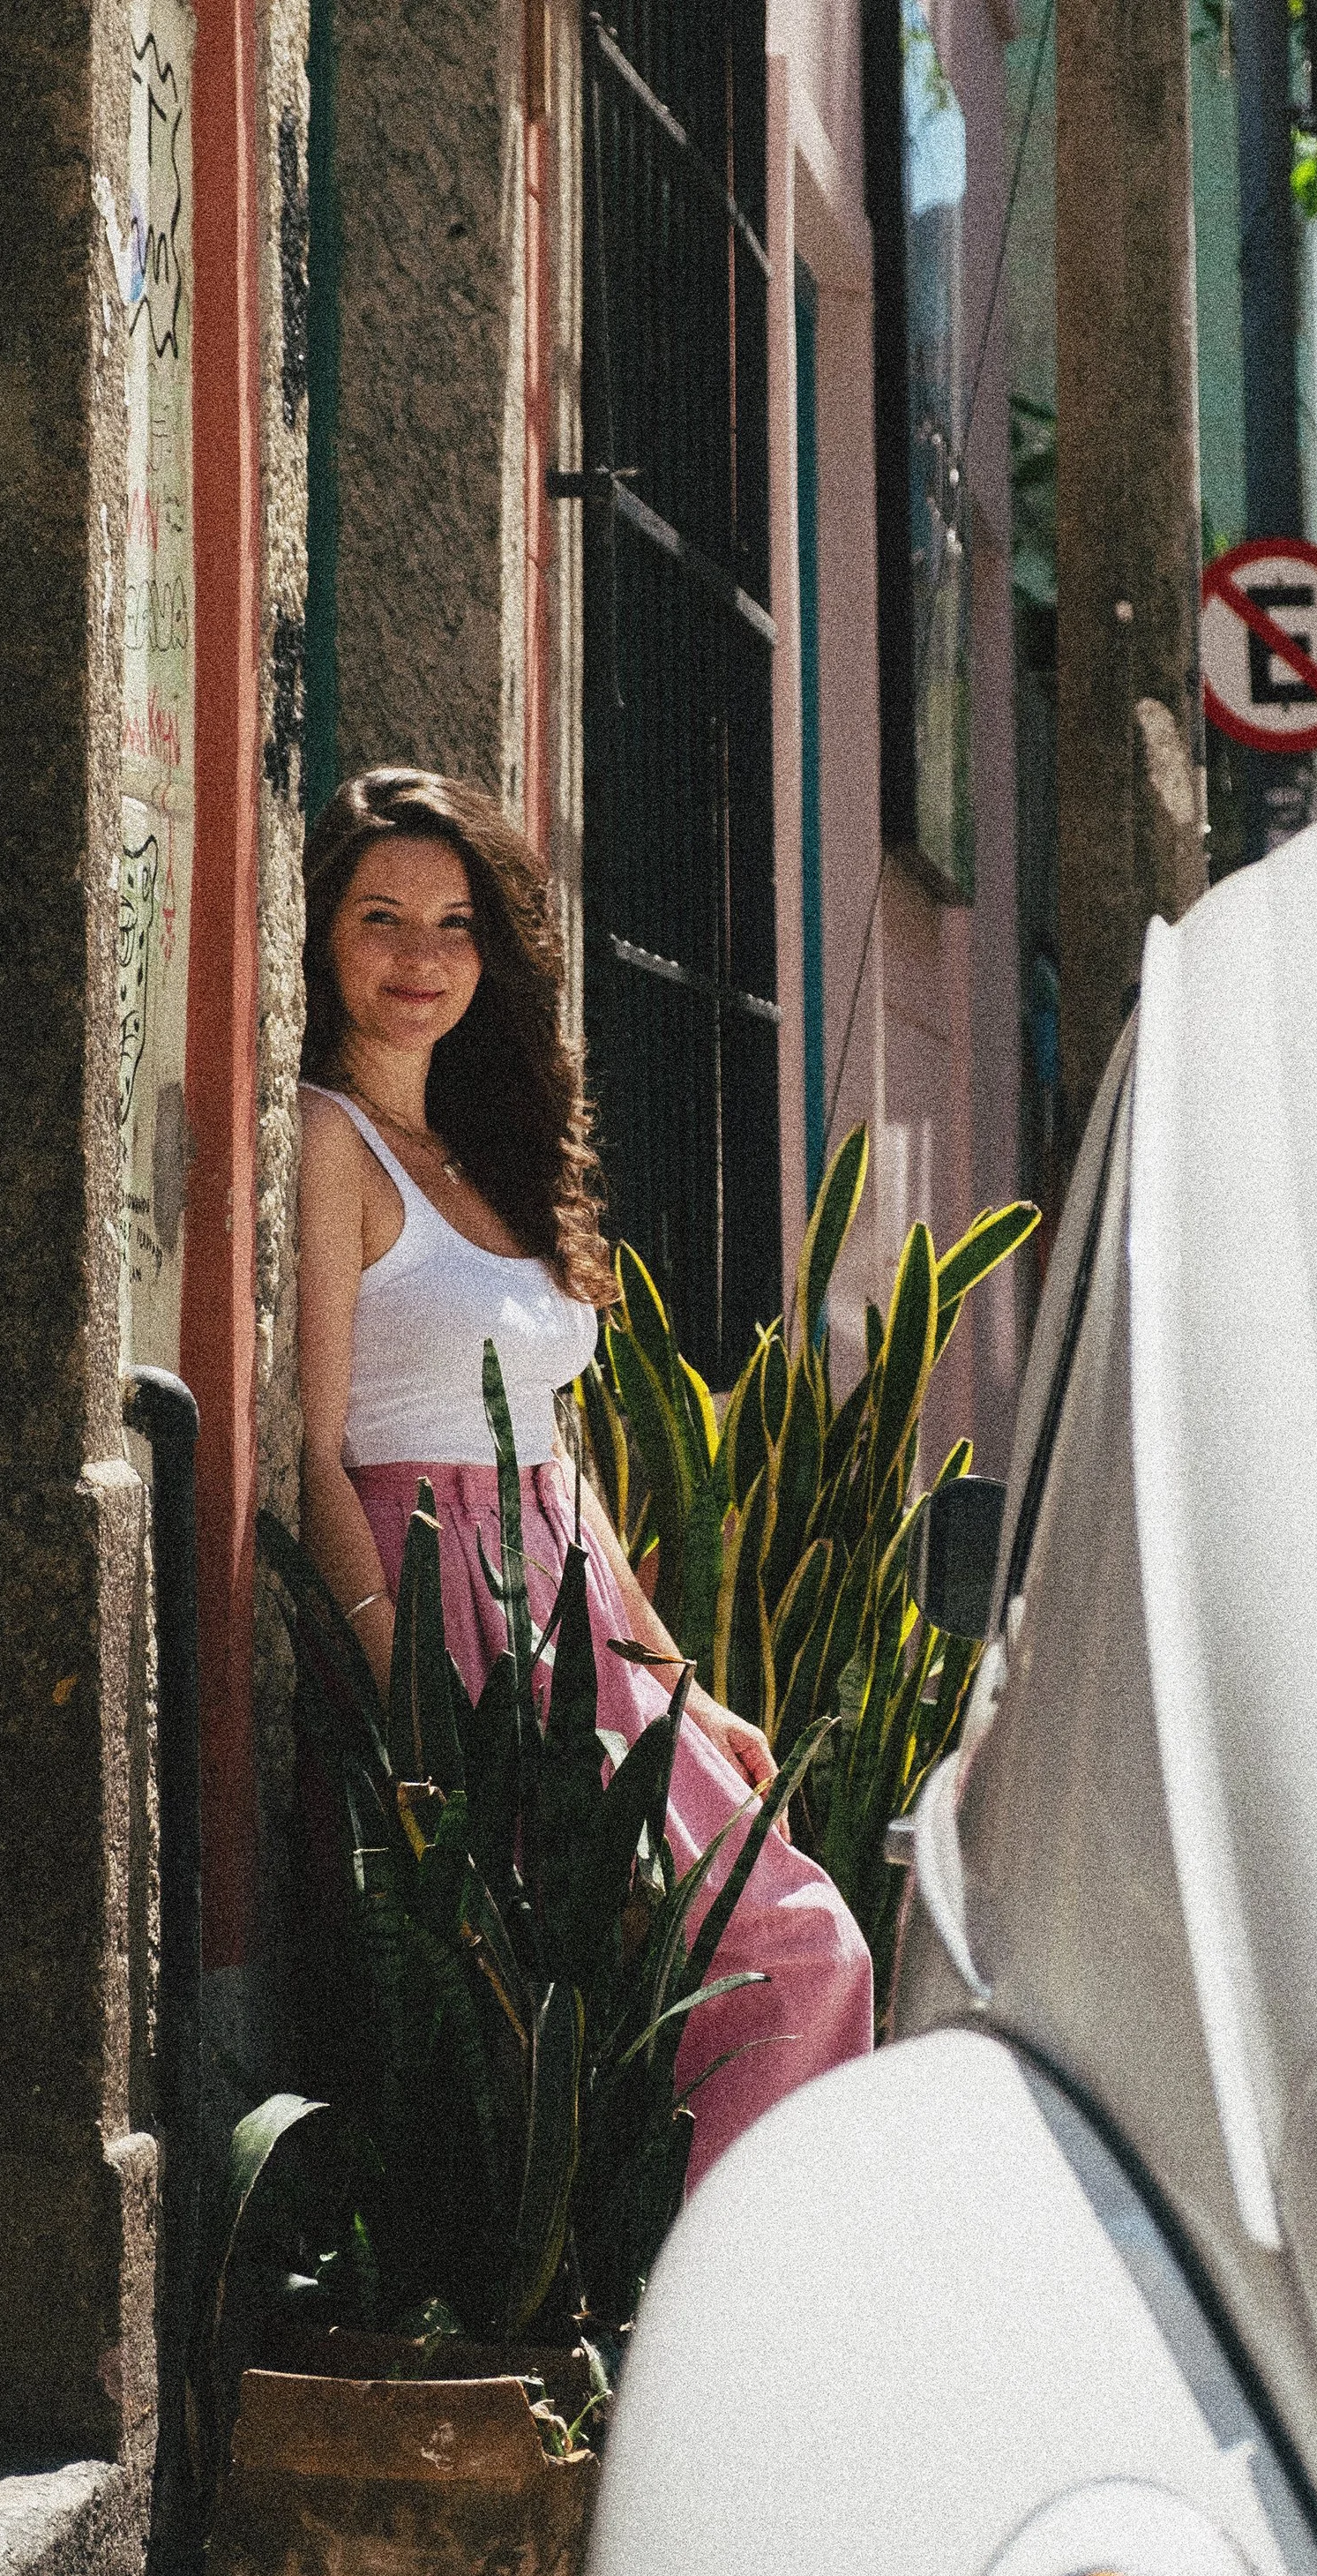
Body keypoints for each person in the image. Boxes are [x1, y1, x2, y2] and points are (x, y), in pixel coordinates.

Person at [296, 768, 872, 2185]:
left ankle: (734, 2290)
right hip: (451, 1612)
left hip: (573, 1620)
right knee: (732, 1956)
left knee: (795, 1938)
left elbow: (559, 1461)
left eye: (453, 925)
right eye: (381, 920)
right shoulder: (330, 1140)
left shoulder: (490, 1146)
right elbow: (313, 1451)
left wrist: (681, 1680)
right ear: (321, 936)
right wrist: (406, 1696)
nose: (419, 959)